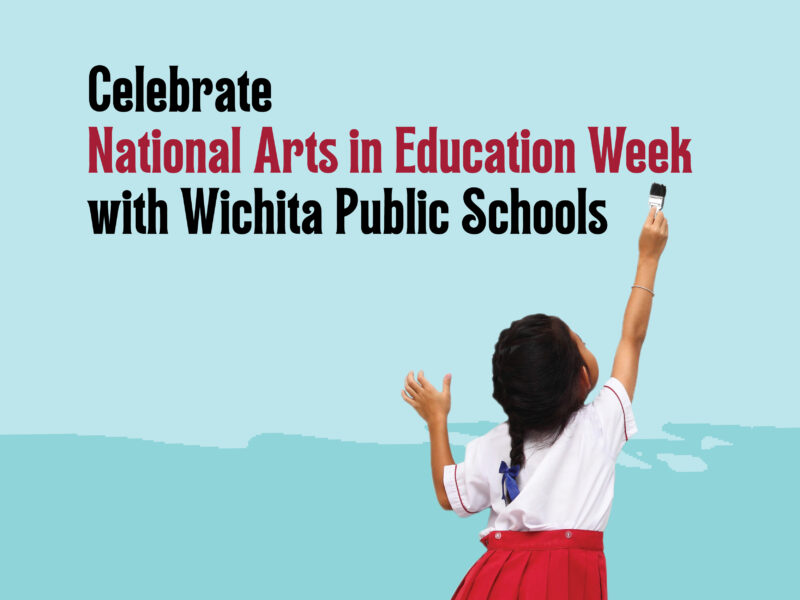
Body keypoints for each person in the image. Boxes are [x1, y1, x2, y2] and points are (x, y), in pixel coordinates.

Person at [401, 206, 669, 599]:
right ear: (582, 377)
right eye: (583, 343)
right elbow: (633, 337)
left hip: (494, 582)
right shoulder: (600, 425)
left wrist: (436, 420)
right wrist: (648, 258)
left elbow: (449, 495)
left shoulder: (495, 442)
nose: (587, 346)